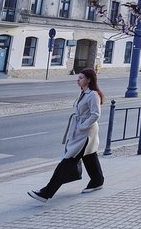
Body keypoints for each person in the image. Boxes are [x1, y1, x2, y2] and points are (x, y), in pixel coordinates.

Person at [28, 68, 106, 203]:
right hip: (80, 131)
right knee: (89, 155)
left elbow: (95, 114)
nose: (78, 80)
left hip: (86, 133)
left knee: (68, 160)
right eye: (78, 77)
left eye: (81, 78)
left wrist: (82, 126)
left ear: (89, 79)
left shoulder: (93, 94)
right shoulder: (83, 93)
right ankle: (97, 180)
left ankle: (46, 193)